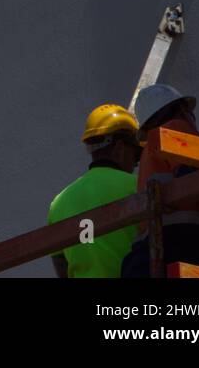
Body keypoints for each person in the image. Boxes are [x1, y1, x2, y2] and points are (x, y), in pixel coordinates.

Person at [120, 83, 199, 277]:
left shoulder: (148, 154)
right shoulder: (175, 129)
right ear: (182, 109)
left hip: (153, 252)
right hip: (194, 244)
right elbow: (194, 175)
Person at [47, 103, 142, 277]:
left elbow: (62, 268)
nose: (136, 163)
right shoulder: (138, 186)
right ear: (120, 147)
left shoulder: (59, 203)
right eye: (136, 154)